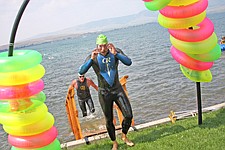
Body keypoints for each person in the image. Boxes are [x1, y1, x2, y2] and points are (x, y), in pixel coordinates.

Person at [79, 34, 134, 150]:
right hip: (104, 93)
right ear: (97, 46)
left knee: (128, 115)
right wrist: (91, 61)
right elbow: (81, 71)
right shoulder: (92, 57)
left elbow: (129, 62)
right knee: (109, 120)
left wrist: (116, 54)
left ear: (108, 45)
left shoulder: (115, 52)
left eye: (105, 46)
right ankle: (114, 142)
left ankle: (124, 136)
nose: (103, 49)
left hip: (117, 90)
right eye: (100, 46)